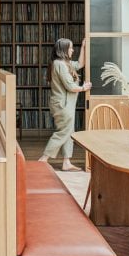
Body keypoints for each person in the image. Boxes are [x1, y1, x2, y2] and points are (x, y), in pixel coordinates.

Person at [39, 38, 91, 171]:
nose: (72, 50)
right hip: (63, 105)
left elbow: (80, 64)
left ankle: (66, 162)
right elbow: (70, 86)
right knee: (64, 132)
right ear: (63, 50)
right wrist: (84, 87)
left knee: (69, 132)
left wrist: (84, 47)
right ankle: (43, 159)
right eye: (71, 48)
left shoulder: (64, 63)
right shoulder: (59, 64)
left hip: (66, 104)